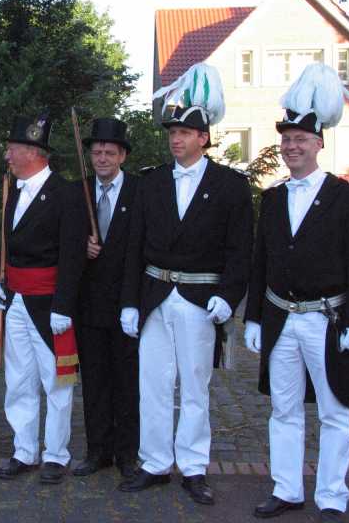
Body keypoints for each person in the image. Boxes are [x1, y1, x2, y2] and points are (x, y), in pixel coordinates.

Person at [118, 63, 253, 504]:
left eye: (184, 132)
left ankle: (193, 467)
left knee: (195, 387)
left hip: (199, 297)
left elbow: (240, 250)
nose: (175, 139)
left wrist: (229, 297)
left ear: (204, 137)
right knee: (153, 385)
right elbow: (134, 246)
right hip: (155, 294)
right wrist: (130, 302)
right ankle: (155, 462)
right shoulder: (151, 182)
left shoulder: (230, 186)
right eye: (172, 132)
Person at [244, 64, 349, 522]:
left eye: (300, 139)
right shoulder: (273, 199)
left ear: (319, 143)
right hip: (281, 319)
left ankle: (332, 496)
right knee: (283, 410)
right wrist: (254, 316)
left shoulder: (348, 200)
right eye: (286, 140)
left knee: (335, 411)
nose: (291, 147)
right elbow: (261, 263)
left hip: (328, 322)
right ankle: (286, 489)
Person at [0, 114, 87, 485]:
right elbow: (4, 241)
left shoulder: (67, 193)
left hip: (49, 304)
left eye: (12, 149)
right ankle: (24, 450)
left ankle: (56, 455)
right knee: (19, 380)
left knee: (58, 382)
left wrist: (64, 304)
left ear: (33, 152)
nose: (7, 156)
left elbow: (73, 255)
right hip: (15, 299)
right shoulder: (12, 190)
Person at [73, 117, 140, 479]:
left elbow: (143, 249)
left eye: (109, 153)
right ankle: (97, 450)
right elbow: (63, 242)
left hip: (127, 303)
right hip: (89, 305)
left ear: (122, 156)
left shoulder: (140, 191)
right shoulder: (78, 192)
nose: (101, 158)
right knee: (95, 381)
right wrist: (80, 247)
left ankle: (127, 453)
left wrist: (133, 302)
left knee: (126, 381)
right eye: (97, 152)